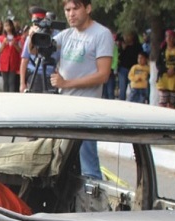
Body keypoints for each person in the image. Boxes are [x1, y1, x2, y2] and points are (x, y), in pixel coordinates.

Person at [50, 0, 113, 180]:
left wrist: (66, 83)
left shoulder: (101, 34)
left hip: (87, 109)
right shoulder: (67, 34)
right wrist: (34, 37)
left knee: (88, 165)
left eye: (75, 8)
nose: (71, 14)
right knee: (63, 163)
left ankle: (93, 203)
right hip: (65, 107)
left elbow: (103, 75)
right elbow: (39, 48)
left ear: (88, 8)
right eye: (67, 10)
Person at [155, 30, 175, 109]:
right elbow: (158, 63)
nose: (170, 39)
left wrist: (174, 69)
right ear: (166, 38)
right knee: (163, 100)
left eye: (172, 37)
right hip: (164, 78)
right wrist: (166, 70)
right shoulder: (162, 49)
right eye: (168, 37)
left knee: (172, 101)